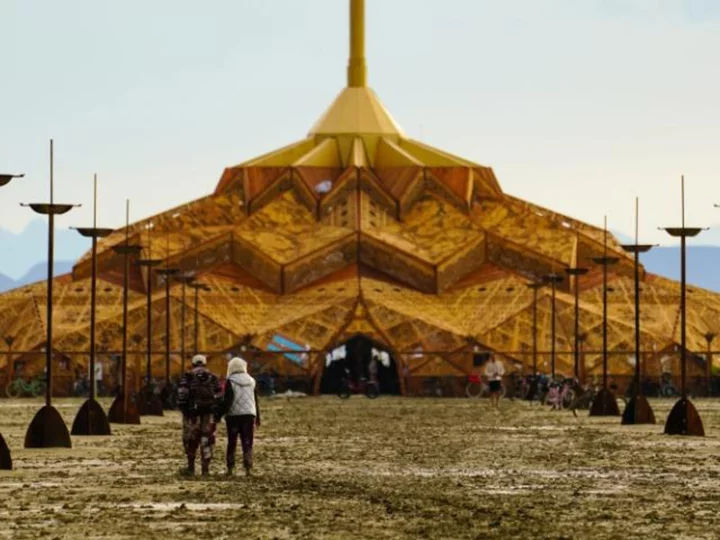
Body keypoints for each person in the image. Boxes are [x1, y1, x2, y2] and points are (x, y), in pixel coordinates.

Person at [177, 354, 222, 476]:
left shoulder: (187, 377)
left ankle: (191, 468)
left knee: (191, 440)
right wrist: (215, 412)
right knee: (207, 440)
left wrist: (186, 412)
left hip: (192, 416)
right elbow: (219, 396)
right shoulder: (213, 377)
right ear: (205, 363)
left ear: (192, 364)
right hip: (208, 415)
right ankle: (205, 469)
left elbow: (182, 396)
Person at [216, 357, 261, 476]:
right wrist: (258, 417)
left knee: (232, 442)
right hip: (249, 415)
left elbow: (228, 401)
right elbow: (255, 400)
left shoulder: (229, 381)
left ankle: (231, 468)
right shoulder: (252, 380)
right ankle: (248, 468)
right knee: (247, 442)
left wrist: (218, 415)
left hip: (233, 416)